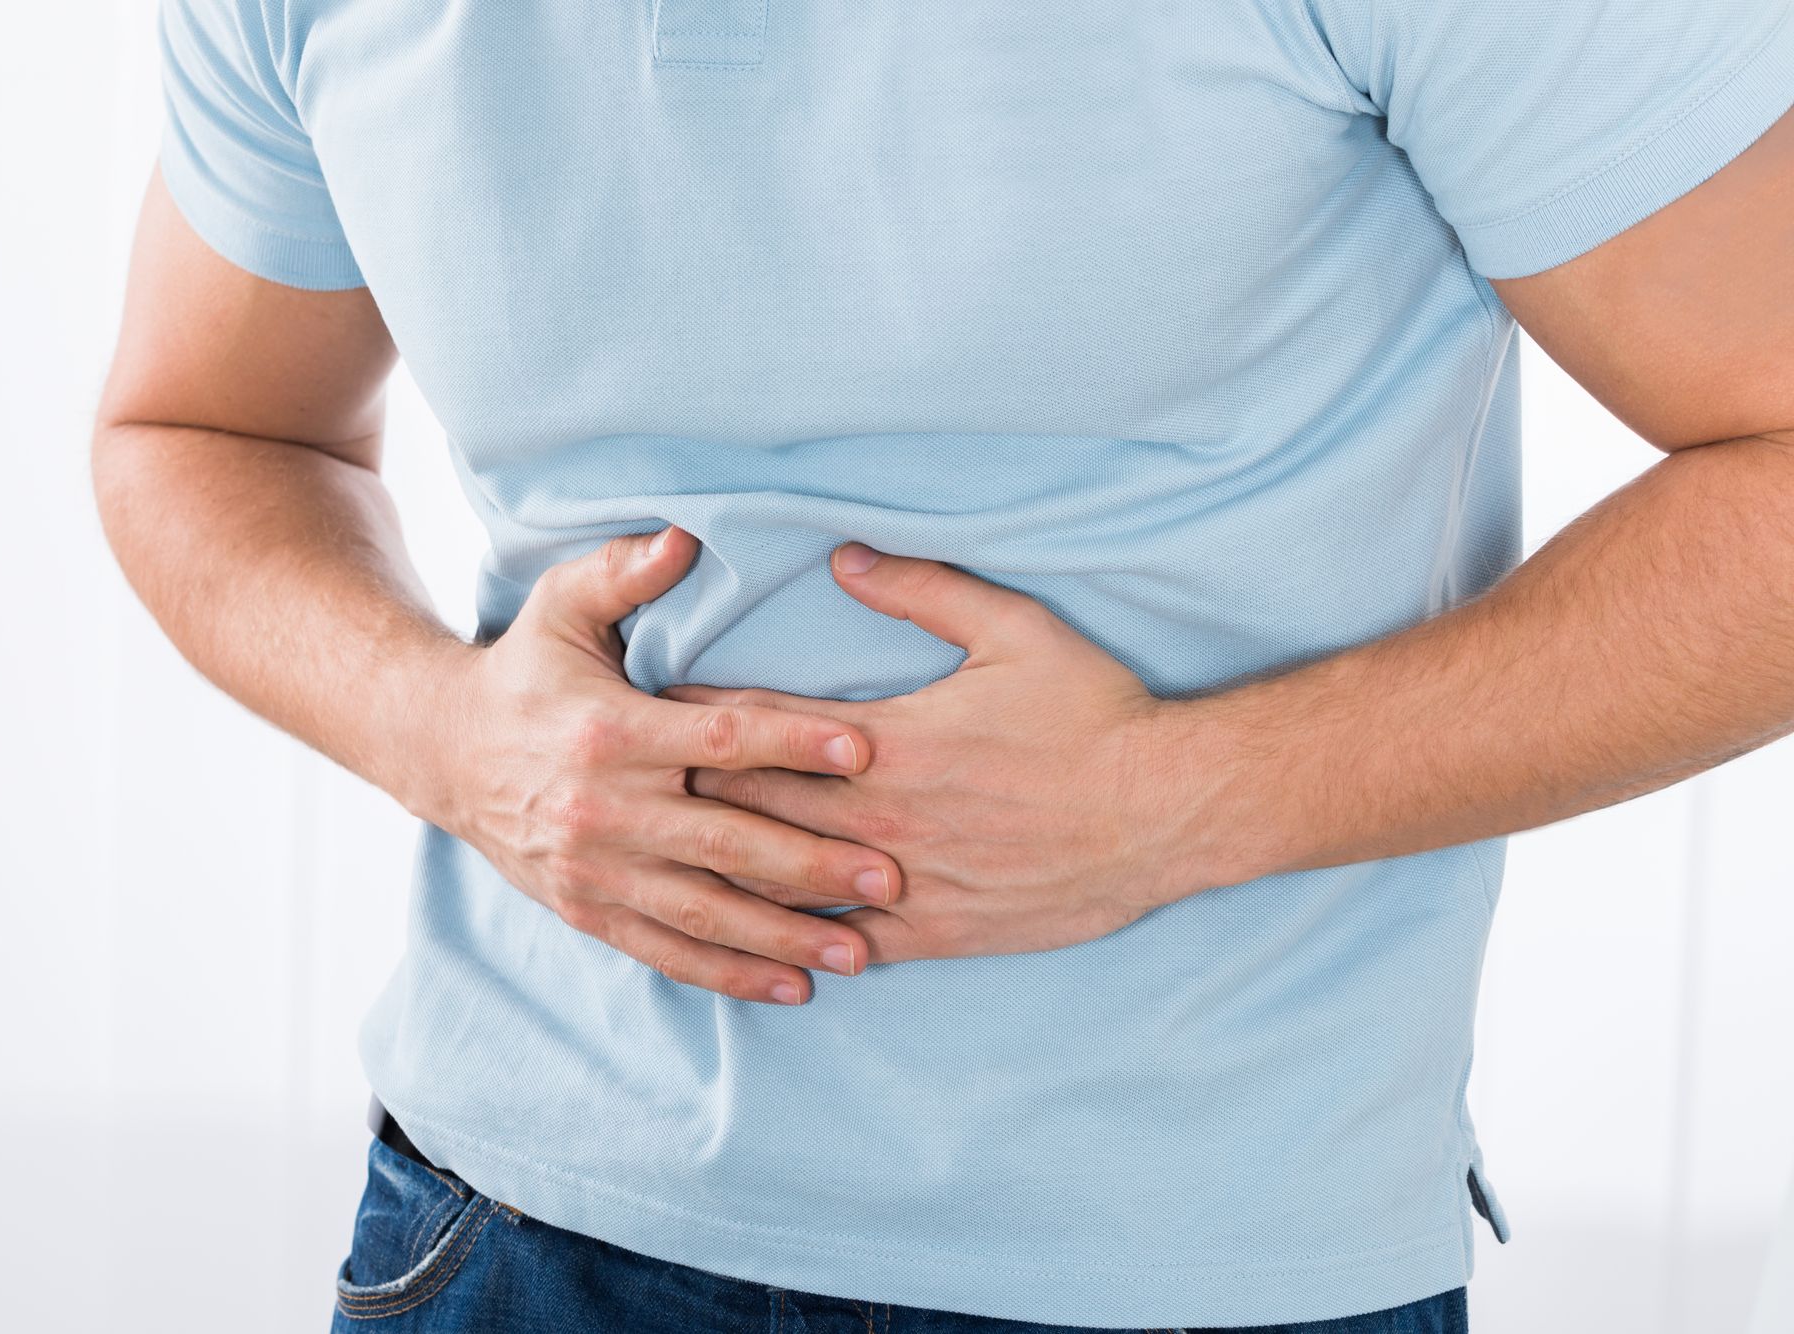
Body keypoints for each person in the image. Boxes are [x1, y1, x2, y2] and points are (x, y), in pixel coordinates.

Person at [91, 0, 1794, 1328]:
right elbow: (199, 424)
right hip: (504, 1232)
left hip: (1190, 1274)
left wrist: (1181, 799)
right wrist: (449, 738)